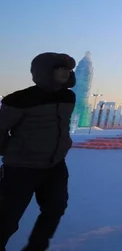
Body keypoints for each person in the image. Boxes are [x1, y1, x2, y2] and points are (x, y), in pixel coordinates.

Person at [0, 53, 76, 251]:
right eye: (60, 68)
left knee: (56, 207)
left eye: (68, 69)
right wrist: (11, 149)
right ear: (44, 71)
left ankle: (36, 247)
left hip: (55, 165)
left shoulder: (68, 96)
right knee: (8, 217)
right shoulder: (19, 100)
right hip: (21, 167)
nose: (65, 72)